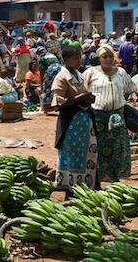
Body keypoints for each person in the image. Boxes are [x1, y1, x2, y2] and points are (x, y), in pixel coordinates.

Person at [84, 44, 137, 182]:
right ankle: (99, 177)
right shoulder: (91, 73)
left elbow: (129, 89)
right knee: (98, 145)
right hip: (98, 116)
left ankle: (115, 177)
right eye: (104, 57)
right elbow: (82, 91)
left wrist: (119, 103)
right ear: (99, 58)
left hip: (116, 116)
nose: (108, 59)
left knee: (118, 146)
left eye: (110, 56)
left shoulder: (121, 72)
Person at [51, 46, 97, 197]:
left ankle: (85, 188)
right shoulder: (61, 77)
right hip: (71, 124)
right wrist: (82, 97)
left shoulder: (79, 75)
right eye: (75, 58)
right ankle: (71, 191)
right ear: (65, 60)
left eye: (79, 57)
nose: (79, 60)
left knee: (86, 155)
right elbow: (59, 103)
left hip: (84, 122)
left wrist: (89, 98)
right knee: (72, 156)